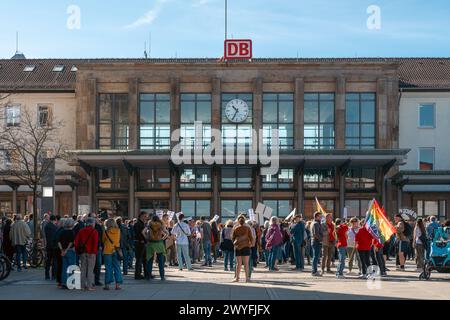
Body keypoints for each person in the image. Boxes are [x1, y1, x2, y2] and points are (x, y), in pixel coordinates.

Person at [74, 217, 98, 291]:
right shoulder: (94, 231)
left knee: (83, 269)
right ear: (92, 223)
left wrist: (77, 250)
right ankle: (89, 286)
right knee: (90, 270)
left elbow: (76, 242)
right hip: (91, 252)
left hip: (83, 252)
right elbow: (95, 243)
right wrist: (93, 252)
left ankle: (82, 285)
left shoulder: (81, 231)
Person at [144, 215, 168, 280]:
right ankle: (162, 276)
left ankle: (148, 276)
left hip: (151, 243)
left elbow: (143, 232)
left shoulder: (149, 224)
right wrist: (162, 239)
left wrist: (147, 238)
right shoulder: (160, 224)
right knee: (161, 261)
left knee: (149, 261)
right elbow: (166, 233)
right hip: (159, 243)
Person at [231, 215, 254, 283]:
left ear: (238, 221)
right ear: (244, 221)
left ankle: (237, 278)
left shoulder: (236, 228)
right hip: (246, 247)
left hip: (238, 247)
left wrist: (235, 244)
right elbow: (251, 238)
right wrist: (250, 244)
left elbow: (232, 238)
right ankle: (247, 278)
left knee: (238, 264)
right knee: (246, 264)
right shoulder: (248, 228)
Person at [102, 218, 123, 290]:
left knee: (108, 268)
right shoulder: (118, 231)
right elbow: (119, 240)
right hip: (116, 250)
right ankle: (118, 285)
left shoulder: (105, 232)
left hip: (107, 250)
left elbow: (103, 240)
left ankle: (107, 285)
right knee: (117, 267)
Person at [57, 218, 76, 288]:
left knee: (64, 267)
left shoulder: (62, 231)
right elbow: (71, 242)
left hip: (63, 251)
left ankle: (64, 283)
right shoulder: (71, 232)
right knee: (71, 268)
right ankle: (70, 284)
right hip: (70, 251)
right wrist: (67, 250)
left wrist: (62, 250)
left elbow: (58, 242)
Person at [134, 211, 148, 280]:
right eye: (145, 216)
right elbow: (139, 234)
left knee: (144, 259)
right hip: (139, 243)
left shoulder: (143, 224)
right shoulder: (137, 224)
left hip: (143, 243)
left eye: (146, 216)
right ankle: (137, 275)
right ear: (141, 216)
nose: (146, 218)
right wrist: (145, 239)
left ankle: (145, 274)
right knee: (139, 260)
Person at [43, 215, 58, 280]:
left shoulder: (46, 226)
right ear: (54, 220)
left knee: (48, 261)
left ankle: (47, 275)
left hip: (48, 245)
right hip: (54, 246)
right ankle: (53, 275)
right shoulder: (55, 227)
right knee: (54, 261)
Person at [310, 212, 323, 276]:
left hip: (315, 241)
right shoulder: (316, 224)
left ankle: (314, 270)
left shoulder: (314, 223)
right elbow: (316, 234)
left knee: (315, 257)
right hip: (316, 242)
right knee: (316, 257)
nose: (321, 218)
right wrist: (321, 240)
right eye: (320, 216)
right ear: (316, 217)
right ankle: (314, 271)